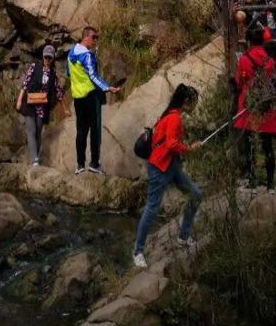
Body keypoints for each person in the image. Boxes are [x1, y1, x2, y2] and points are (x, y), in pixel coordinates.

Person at [132, 84, 203, 269]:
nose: (195, 105)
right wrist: (189, 149)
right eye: (194, 102)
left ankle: (183, 236)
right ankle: (138, 252)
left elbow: (170, 143)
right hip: (159, 167)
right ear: (187, 102)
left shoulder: (171, 114)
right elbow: (171, 144)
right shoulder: (174, 118)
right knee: (152, 208)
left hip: (171, 165)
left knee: (196, 194)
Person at [68, 26, 120, 175]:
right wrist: (108, 87)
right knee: (95, 130)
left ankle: (79, 165)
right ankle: (94, 163)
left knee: (81, 131)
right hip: (91, 96)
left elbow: (68, 72)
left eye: (96, 37)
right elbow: (93, 76)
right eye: (93, 37)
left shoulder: (71, 53)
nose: (95, 40)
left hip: (78, 98)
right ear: (85, 37)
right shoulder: (87, 55)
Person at [234, 23, 276, 192]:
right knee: (267, 145)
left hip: (249, 104)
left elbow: (239, 82)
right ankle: (271, 185)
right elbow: (270, 79)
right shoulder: (270, 60)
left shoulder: (244, 59)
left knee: (250, 143)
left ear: (249, 42)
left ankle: (252, 180)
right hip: (265, 103)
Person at [16, 44, 65, 166]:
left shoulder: (53, 74)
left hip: (42, 107)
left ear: (53, 58)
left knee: (38, 132)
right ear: (43, 57)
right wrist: (19, 100)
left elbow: (59, 91)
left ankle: (36, 158)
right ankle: (35, 160)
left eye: (49, 57)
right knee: (31, 130)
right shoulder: (34, 67)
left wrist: (65, 109)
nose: (47, 59)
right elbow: (25, 83)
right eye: (46, 57)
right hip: (29, 104)